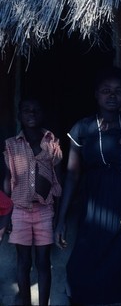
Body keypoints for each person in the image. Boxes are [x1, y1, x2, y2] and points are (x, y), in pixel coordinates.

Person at [54, 67, 121, 304]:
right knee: (82, 266)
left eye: (118, 91)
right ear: (96, 94)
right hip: (95, 204)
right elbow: (71, 175)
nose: (112, 96)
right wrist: (61, 218)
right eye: (106, 91)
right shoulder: (82, 127)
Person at [3, 98, 63, 306]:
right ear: (19, 115)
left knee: (43, 261)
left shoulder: (51, 142)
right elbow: (7, 179)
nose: (31, 114)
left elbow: (58, 176)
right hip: (19, 210)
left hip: (45, 210)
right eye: (26, 111)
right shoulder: (11, 145)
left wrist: (59, 214)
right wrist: (7, 214)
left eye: (36, 110)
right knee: (23, 261)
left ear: (43, 114)